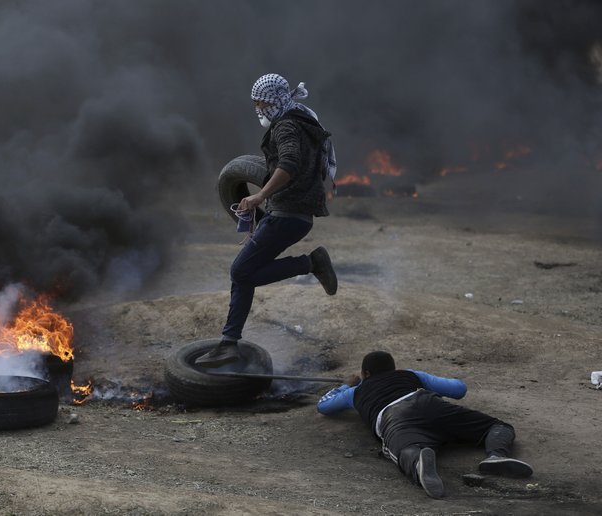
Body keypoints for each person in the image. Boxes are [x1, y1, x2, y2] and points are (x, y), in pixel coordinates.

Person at [195, 73, 338, 368]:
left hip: (288, 214)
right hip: (293, 215)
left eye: (261, 102)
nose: (257, 107)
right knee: (245, 272)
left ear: (273, 101)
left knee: (240, 272)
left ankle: (311, 263)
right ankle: (229, 343)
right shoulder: (301, 119)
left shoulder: (286, 126)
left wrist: (259, 197)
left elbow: (289, 164)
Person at [317, 351, 533, 498]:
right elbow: (459, 389)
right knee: (497, 427)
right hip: (426, 401)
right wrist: (421, 381)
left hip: (394, 418)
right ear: (394, 368)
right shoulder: (410, 375)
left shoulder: (356, 392)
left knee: (405, 450)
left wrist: (345, 386)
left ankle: (419, 461)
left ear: (365, 374)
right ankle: (496, 454)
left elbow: (323, 407)